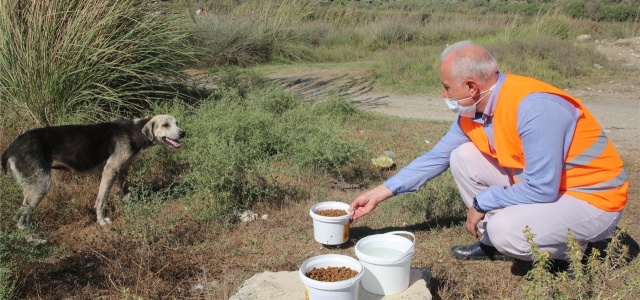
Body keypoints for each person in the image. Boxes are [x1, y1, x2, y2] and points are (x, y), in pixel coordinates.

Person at [348, 40, 628, 266]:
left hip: (593, 198)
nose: (444, 94)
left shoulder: (534, 107)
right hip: (549, 188)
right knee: (462, 156)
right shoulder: (474, 112)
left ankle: (574, 251)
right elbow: (435, 158)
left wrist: (485, 201)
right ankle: (496, 241)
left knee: (505, 230)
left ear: (471, 86)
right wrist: (378, 193)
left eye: (447, 87)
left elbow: (542, 188)